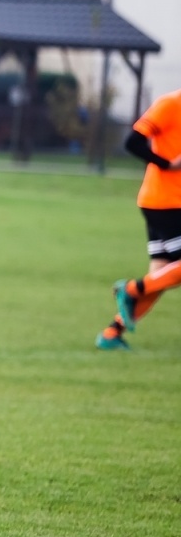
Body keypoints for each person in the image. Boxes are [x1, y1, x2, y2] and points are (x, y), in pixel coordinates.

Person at [98, 86, 181, 350]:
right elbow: (132, 142)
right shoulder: (170, 104)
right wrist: (167, 164)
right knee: (164, 276)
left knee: (160, 274)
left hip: (170, 202)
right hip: (164, 202)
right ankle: (131, 290)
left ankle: (112, 334)